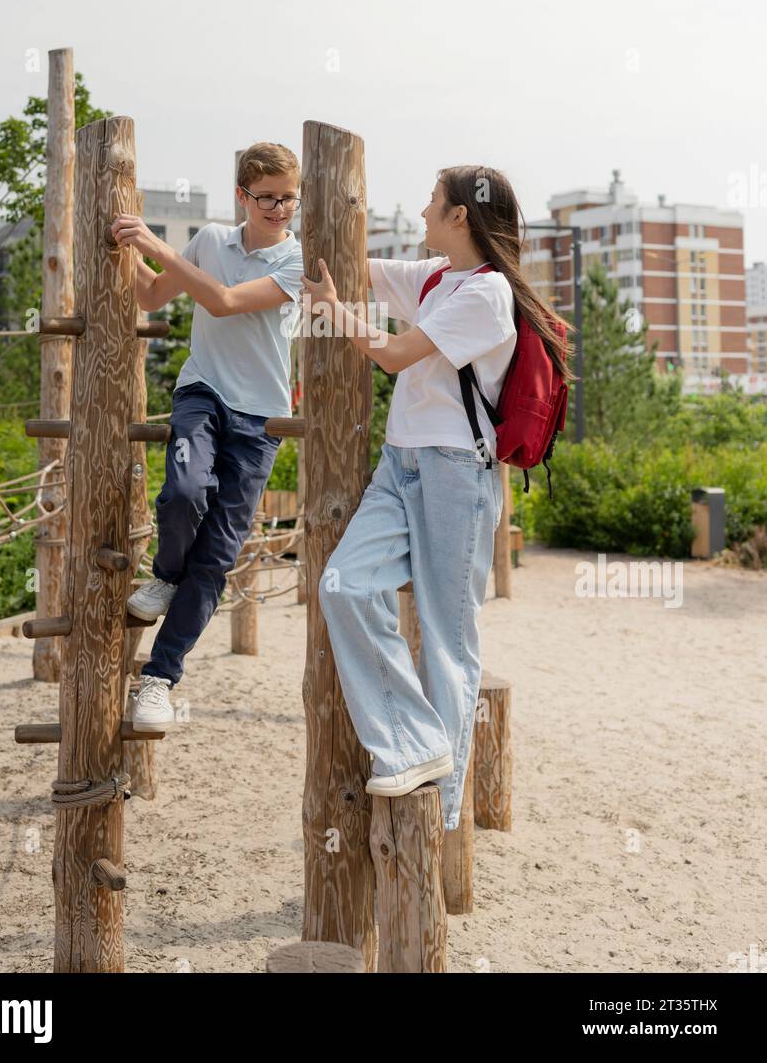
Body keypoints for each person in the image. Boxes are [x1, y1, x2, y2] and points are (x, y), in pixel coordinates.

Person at [300, 165, 571, 830]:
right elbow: (349, 260)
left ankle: (440, 814)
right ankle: (416, 743)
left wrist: (334, 309)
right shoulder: (429, 276)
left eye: (431, 202)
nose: (421, 212)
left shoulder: (487, 297)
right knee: (344, 587)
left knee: (448, 641)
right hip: (401, 464)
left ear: (461, 217)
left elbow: (393, 354)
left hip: (457, 474)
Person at [110, 143, 304, 731]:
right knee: (183, 492)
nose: (278, 208)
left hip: (262, 418)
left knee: (217, 557)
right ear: (241, 196)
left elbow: (222, 303)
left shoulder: (297, 260)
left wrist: (155, 243)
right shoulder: (210, 241)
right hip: (203, 393)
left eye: (288, 198)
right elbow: (150, 295)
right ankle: (166, 574)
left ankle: (159, 678)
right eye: (267, 197)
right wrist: (120, 242)